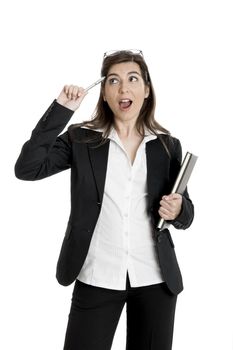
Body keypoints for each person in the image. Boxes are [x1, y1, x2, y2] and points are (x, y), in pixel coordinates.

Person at [15, 50, 194, 350]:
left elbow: (186, 214)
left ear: (146, 90)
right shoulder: (82, 139)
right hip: (97, 274)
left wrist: (177, 209)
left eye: (132, 79)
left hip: (155, 278)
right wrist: (61, 109)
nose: (123, 88)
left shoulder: (167, 146)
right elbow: (27, 168)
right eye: (113, 81)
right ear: (105, 94)